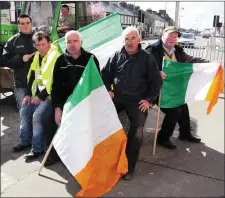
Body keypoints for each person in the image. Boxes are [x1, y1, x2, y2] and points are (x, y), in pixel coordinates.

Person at [101, 26, 162, 180]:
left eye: (133, 38)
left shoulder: (147, 58)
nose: (129, 42)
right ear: (123, 41)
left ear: (139, 40)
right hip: (118, 96)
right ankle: (104, 159)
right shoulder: (116, 55)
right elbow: (106, 74)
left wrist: (149, 100)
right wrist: (108, 88)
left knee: (136, 132)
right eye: (126, 39)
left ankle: (129, 167)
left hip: (138, 100)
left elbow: (156, 81)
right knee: (101, 119)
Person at [145, 26, 208, 150]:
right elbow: (143, 68)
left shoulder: (177, 51)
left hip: (172, 89)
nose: (173, 39)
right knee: (175, 111)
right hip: (156, 91)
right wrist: (156, 73)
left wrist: (210, 64)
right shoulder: (152, 50)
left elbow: (192, 61)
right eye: (170, 35)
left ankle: (185, 134)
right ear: (163, 35)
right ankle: (163, 138)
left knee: (183, 104)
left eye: (175, 36)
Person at [49, 30, 100, 166]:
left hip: (85, 101)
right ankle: (57, 153)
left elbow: (96, 84)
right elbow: (56, 87)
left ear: (81, 42)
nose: (72, 44)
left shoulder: (91, 59)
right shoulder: (60, 61)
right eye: (69, 42)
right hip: (66, 103)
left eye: (75, 41)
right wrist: (57, 108)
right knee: (51, 121)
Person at [12, 31, 61, 162]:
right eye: (38, 45)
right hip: (36, 95)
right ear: (35, 45)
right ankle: (25, 142)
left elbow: (53, 81)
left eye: (44, 44)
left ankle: (37, 149)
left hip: (49, 96)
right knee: (24, 112)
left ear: (49, 43)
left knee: (37, 116)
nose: (41, 48)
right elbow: (32, 76)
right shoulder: (37, 56)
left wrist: (40, 96)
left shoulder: (56, 57)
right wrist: (28, 94)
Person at [2, 14, 36, 110]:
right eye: (22, 23)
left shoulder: (39, 38)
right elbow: (5, 60)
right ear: (18, 25)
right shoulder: (12, 41)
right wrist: (21, 59)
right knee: (25, 115)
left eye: (27, 23)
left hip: (38, 85)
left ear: (31, 23)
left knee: (39, 117)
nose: (25, 25)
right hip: (21, 85)